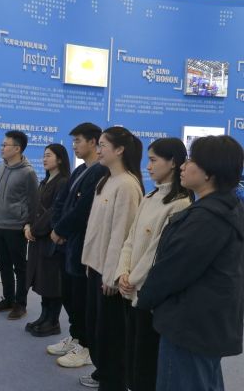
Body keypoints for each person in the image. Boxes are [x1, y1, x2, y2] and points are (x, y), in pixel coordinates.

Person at [138, 135, 244, 391]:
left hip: (189, 326)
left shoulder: (206, 219)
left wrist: (145, 299)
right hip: (206, 323)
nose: (183, 166)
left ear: (210, 172)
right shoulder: (226, 208)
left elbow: (172, 270)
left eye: (192, 160)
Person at [114, 138, 192, 391]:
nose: (148, 166)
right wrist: (122, 273)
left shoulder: (180, 203)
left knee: (145, 360)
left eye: (153, 160)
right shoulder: (150, 196)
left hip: (148, 294)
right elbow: (130, 239)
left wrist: (132, 280)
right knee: (130, 352)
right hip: (130, 288)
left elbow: (157, 253)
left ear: (173, 163)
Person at [81, 126, 144, 390]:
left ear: (119, 150)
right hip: (96, 268)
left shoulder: (127, 185)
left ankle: (112, 382)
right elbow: (96, 231)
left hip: (109, 276)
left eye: (103, 145)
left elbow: (121, 235)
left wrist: (111, 275)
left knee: (110, 336)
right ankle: (104, 376)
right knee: (96, 330)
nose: (98, 150)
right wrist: (90, 263)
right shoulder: (106, 180)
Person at [46, 123, 107, 369]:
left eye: (78, 141)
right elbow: (61, 202)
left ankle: (86, 346)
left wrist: (61, 230)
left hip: (82, 245)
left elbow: (83, 211)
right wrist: (57, 228)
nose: (74, 146)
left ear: (93, 142)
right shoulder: (81, 169)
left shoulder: (100, 172)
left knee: (81, 298)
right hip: (66, 243)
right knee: (69, 295)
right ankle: (76, 336)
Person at [0, 130, 38, 320]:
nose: (2, 148)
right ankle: (8, 299)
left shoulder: (28, 172)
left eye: (5, 145)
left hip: (16, 227)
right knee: (3, 265)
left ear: (17, 149)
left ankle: (21, 304)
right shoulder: (0, 167)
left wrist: (28, 224)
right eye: (2, 145)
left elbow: (34, 202)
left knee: (20, 267)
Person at [24, 144, 70, 337]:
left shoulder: (63, 182)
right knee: (42, 280)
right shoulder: (44, 181)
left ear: (59, 159)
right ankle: (44, 317)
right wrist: (27, 225)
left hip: (50, 239)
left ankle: (53, 321)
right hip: (38, 238)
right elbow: (34, 206)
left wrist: (34, 229)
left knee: (52, 282)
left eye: (49, 156)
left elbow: (54, 212)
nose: (44, 159)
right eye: (44, 156)